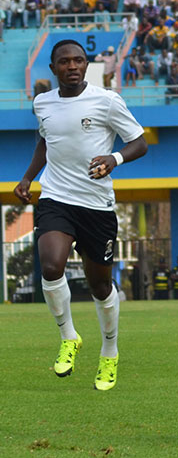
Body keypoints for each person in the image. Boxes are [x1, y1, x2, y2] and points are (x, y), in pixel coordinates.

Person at [13, 39, 148, 391]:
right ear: (54, 68)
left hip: (96, 205)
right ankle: (69, 336)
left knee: (100, 286)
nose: (72, 66)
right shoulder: (42, 103)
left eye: (79, 60)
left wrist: (113, 159)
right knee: (52, 264)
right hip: (57, 198)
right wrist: (29, 176)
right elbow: (46, 141)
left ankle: (109, 352)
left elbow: (139, 141)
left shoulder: (107, 100)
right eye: (65, 61)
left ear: (86, 66)